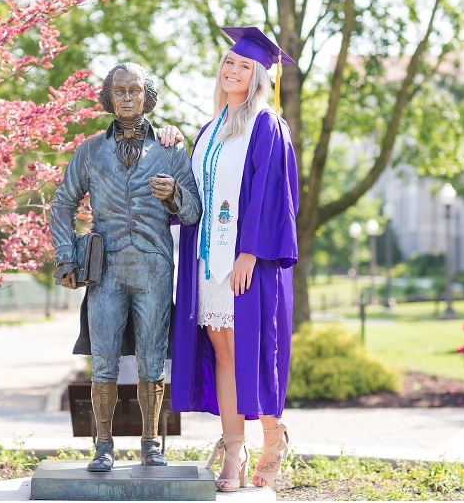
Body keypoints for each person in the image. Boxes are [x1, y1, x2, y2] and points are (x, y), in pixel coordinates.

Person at [50, 62, 202, 472]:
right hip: (107, 270)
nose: (129, 98)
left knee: (153, 359)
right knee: (104, 359)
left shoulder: (170, 150)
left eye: (136, 90)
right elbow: (63, 202)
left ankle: (152, 443)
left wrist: (173, 196)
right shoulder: (91, 150)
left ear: (147, 96)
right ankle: (103, 444)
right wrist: (66, 255)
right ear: (109, 97)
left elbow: (193, 212)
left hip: (154, 268)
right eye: (121, 91)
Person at [170, 26, 299, 492]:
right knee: (223, 350)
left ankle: (272, 438)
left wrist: (249, 253)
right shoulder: (209, 129)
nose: (233, 70)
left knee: (253, 351)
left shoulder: (267, 124)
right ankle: (233, 447)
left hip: (248, 263)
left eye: (245, 66)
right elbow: (195, 196)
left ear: (259, 77)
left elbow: (272, 195)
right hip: (207, 262)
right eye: (229, 62)